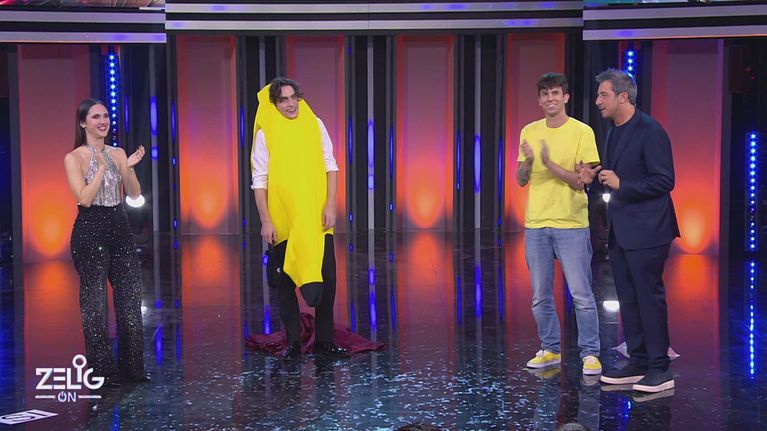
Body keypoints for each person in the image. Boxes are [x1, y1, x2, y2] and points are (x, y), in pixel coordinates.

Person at [591, 68, 680, 393]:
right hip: (622, 230)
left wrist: (622, 184)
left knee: (648, 297)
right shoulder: (613, 131)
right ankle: (639, 359)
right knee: (628, 298)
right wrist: (594, 178)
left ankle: (660, 368)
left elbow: (665, 180)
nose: (598, 101)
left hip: (649, 230)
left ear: (623, 97)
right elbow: (614, 176)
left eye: (603, 95)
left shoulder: (650, 130)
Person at [251, 77, 349, 361]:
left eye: (294, 97)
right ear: (274, 103)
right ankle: (293, 342)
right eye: (283, 99)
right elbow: (260, 181)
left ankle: (324, 341)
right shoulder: (266, 134)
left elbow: (331, 167)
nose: (291, 104)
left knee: (328, 276)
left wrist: (330, 204)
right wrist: (266, 220)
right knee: (286, 281)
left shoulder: (315, 124)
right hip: (283, 217)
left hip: (316, 216)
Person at [517, 72, 602, 376]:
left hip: (571, 223)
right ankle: (549, 349)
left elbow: (581, 182)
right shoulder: (529, 131)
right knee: (540, 295)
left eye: (555, 93)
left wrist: (550, 164)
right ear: (539, 100)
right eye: (545, 94)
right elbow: (521, 180)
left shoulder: (582, 132)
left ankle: (590, 353)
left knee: (581, 293)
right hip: (537, 224)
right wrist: (530, 162)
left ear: (565, 97)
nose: (550, 98)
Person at [64, 98, 148, 386]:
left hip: (119, 227)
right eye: (96, 117)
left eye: (106, 116)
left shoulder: (118, 152)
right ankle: (102, 372)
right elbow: (85, 199)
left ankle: (133, 369)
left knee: (130, 301)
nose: (103, 121)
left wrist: (128, 167)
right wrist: (100, 167)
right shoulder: (73, 158)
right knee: (95, 306)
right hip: (90, 231)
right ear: (83, 123)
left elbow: (134, 194)